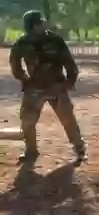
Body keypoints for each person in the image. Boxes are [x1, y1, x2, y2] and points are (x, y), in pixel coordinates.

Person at [9, 10, 87, 164]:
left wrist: (69, 81)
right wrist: (26, 80)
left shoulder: (55, 40)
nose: (44, 24)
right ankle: (31, 151)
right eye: (40, 22)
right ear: (32, 26)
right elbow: (15, 65)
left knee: (67, 119)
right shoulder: (22, 43)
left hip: (56, 87)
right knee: (27, 122)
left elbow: (69, 63)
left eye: (43, 22)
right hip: (34, 89)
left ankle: (80, 149)